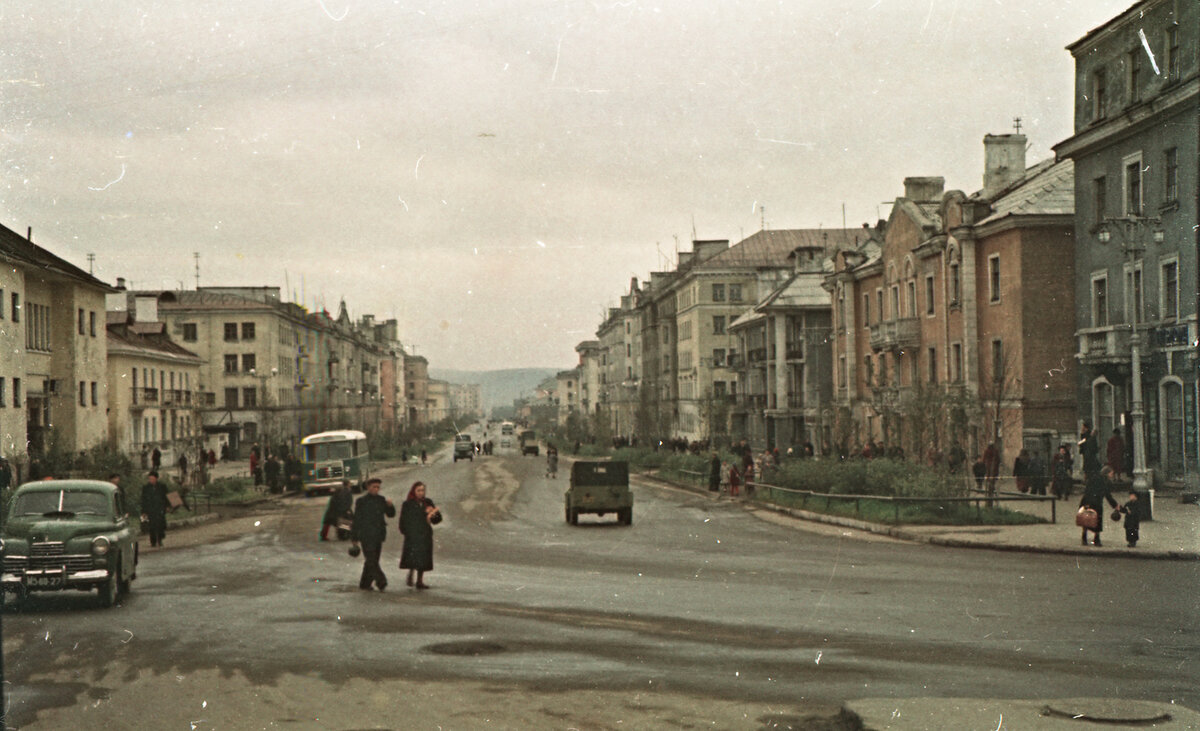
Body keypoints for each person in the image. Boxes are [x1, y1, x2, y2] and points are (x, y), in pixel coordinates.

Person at [350, 478, 395, 591]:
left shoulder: (381, 500)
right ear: (368, 487)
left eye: (378, 487)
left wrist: (390, 506)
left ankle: (365, 584)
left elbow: (391, 515)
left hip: (378, 535)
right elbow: (357, 520)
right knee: (371, 559)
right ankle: (381, 581)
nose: (376, 489)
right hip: (366, 535)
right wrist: (354, 538)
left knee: (373, 560)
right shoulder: (361, 501)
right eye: (374, 487)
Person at [399, 481, 442, 589]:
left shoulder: (428, 502)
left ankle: (420, 580)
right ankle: (411, 573)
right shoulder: (408, 504)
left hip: (425, 534)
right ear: (414, 491)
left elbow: (437, 520)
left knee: (423, 558)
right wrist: (406, 532)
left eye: (422, 490)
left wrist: (433, 513)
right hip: (412, 534)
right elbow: (403, 520)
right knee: (413, 557)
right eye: (418, 490)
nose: (421, 493)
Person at [1079, 466, 1119, 547]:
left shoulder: (1095, 478)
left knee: (1088, 519)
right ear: (1107, 473)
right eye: (1111, 473)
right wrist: (1115, 505)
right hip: (1095, 502)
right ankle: (1096, 539)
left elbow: (1088, 490)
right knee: (1096, 520)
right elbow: (1108, 495)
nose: (1112, 475)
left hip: (1090, 501)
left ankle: (1085, 538)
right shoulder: (1105, 482)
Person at [140, 471, 169, 548]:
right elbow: (143, 499)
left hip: (160, 509)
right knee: (151, 526)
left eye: (152, 479)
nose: (151, 480)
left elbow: (166, 497)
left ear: (156, 478)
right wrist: (143, 511)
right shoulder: (146, 488)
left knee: (160, 525)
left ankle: (160, 540)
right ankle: (153, 541)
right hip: (150, 509)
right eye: (150, 479)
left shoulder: (162, 486)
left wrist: (167, 506)